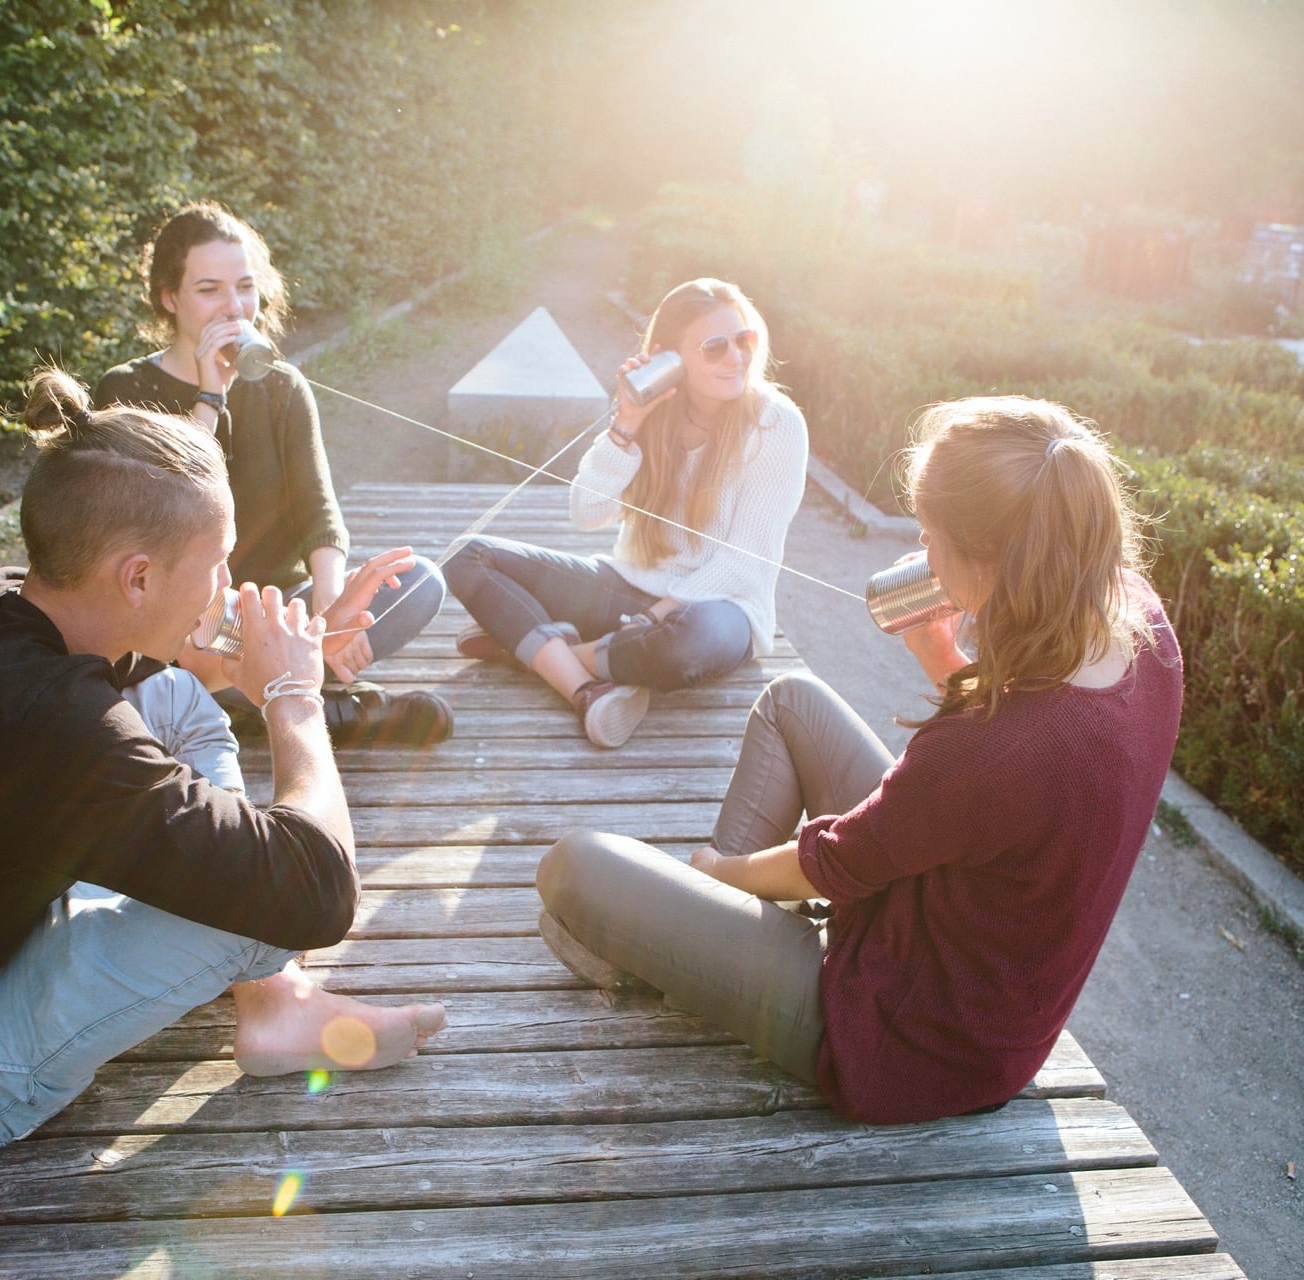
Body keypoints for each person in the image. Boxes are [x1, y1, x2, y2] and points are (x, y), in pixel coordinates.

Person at [0, 370, 445, 1155]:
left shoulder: (4, 613)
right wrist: (293, 696)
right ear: (137, 577)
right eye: (219, 565)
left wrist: (280, 642)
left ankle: (274, 1002)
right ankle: (271, 989)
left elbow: (179, 670)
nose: (229, 588)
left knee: (174, 696)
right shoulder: (59, 732)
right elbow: (319, 888)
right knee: (262, 904)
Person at [534, 396, 1183, 1124]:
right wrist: (944, 657)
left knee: (573, 865)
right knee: (792, 700)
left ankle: (690, 940)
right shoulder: (1138, 618)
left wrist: (717, 875)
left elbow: (838, 861)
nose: (923, 556)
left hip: (912, 1038)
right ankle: (697, 944)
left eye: (932, 539)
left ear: (994, 558)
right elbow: (1010, 801)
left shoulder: (992, 748)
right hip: (969, 955)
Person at [93, 200, 450, 747]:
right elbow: (158, 513)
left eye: (245, 287)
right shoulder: (126, 390)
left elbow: (318, 512)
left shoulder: (282, 387)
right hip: (181, 613)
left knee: (422, 580)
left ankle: (253, 696)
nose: (232, 307)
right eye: (208, 289)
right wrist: (209, 397)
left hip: (280, 610)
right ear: (170, 297)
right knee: (178, 642)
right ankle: (331, 709)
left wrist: (334, 611)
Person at [445, 278, 808, 749]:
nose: (736, 357)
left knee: (687, 641)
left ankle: (547, 655)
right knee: (467, 557)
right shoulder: (653, 412)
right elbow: (586, 511)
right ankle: (586, 686)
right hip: (629, 588)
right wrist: (627, 425)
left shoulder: (776, 423)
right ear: (670, 357)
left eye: (744, 340)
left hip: (722, 610)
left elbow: (745, 562)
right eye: (715, 347)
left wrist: (653, 620)